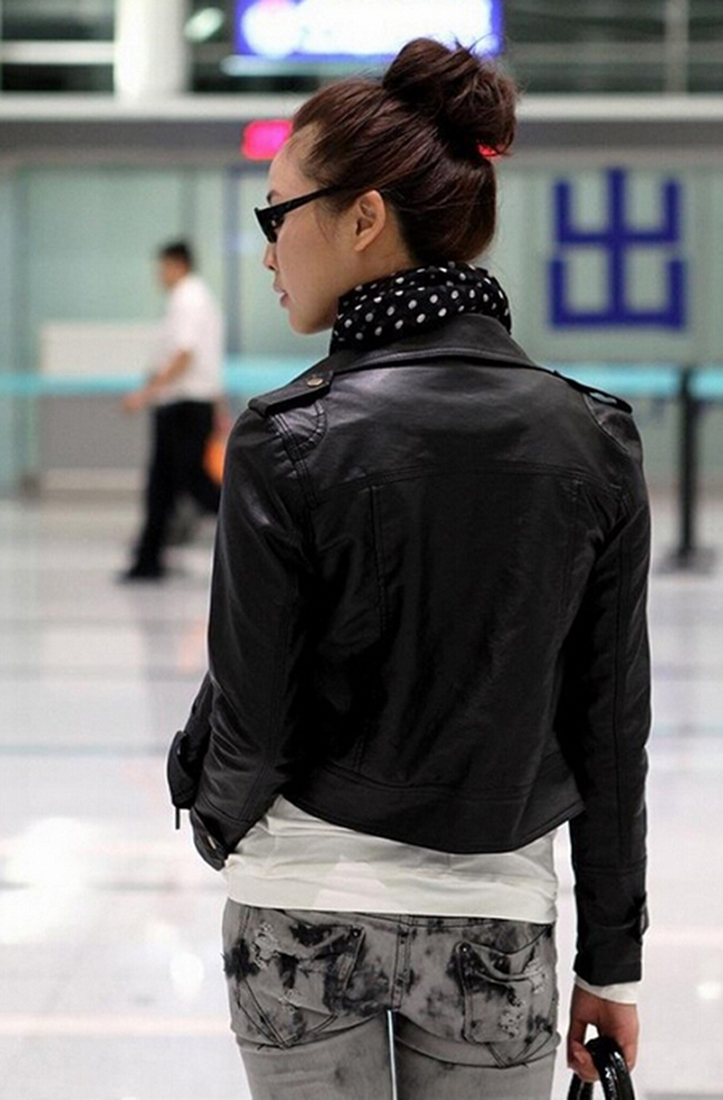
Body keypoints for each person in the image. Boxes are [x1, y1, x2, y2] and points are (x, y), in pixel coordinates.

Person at [167, 38, 650, 1100]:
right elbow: (609, 727)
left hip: (300, 908)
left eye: (278, 214)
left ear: (364, 218)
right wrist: (612, 959)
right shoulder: (593, 438)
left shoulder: (285, 436)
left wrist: (212, 814)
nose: (269, 250)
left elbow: (254, 710)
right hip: (494, 922)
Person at [120, 240, 224, 581]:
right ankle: (147, 560)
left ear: (178, 264)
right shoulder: (193, 297)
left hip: (185, 407)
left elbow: (184, 355)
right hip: (182, 405)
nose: (159, 275)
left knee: (192, 482)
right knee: (162, 485)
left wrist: (145, 393)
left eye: (162, 268)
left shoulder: (188, 298)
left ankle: (253, 529)